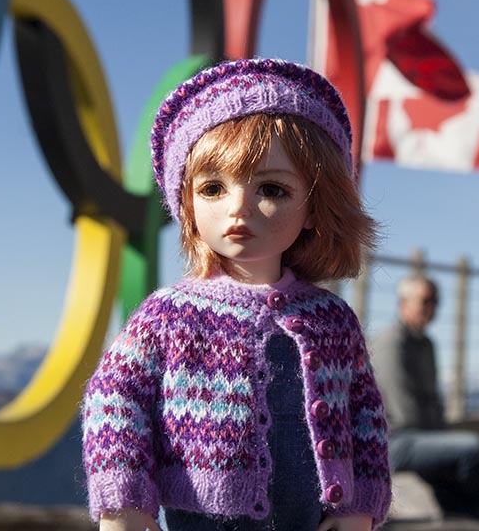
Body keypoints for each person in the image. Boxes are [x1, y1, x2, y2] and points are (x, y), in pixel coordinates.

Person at [81, 59, 391, 531]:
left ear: (314, 205)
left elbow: (364, 415)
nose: (238, 209)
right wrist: (123, 503)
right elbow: (115, 398)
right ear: (187, 204)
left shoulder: (332, 320)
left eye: (272, 189)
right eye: (212, 188)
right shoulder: (169, 316)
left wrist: (358, 509)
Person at [371, 274, 479, 531]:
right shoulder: (392, 344)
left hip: (418, 437)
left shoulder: (426, 343)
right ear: (403, 304)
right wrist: (441, 441)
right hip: (392, 441)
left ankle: (473, 517)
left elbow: (432, 405)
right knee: (470, 449)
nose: (432, 307)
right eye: (425, 300)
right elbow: (406, 412)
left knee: (456, 462)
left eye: (435, 301)